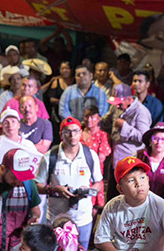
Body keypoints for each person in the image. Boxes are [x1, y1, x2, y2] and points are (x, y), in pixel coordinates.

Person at [94, 156, 164, 251]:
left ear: (148, 181)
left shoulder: (161, 206)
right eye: (131, 180)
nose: (139, 184)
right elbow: (101, 239)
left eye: (142, 178)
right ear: (120, 189)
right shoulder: (113, 207)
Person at [36, 117, 102, 249]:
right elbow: (37, 186)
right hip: (56, 219)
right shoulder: (50, 157)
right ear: (61, 134)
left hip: (82, 219)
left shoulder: (90, 155)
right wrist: (55, 189)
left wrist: (88, 190)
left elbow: (99, 183)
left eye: (76, 131)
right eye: (67, 132)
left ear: (81, 133)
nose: (72, 135)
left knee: (81, 248)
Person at [100, 83, 151, 200]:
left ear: (129, 99)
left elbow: (144, 137)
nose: (117, 106)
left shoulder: (141, 112)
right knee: (112, 196)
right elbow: (106, 120)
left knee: (127, 197)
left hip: (130, 163)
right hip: (115, 160)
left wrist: (125, 127)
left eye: (119, 103)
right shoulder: (117, 107)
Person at [136, 123, 164, 203]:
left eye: (163, 139)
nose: (159, 142)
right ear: (150, 142)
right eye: (155, 138)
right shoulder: (139, 156)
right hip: (139, 203)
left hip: (162, 206)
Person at [80, 105, 111, 210]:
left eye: (92, 117)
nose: (89, 120)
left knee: (94, 206)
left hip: (94, 175)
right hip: (79, 173)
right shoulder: (78, 133)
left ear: (98, 119)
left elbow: (102, 156)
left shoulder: (102, 135)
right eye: (86, 117)